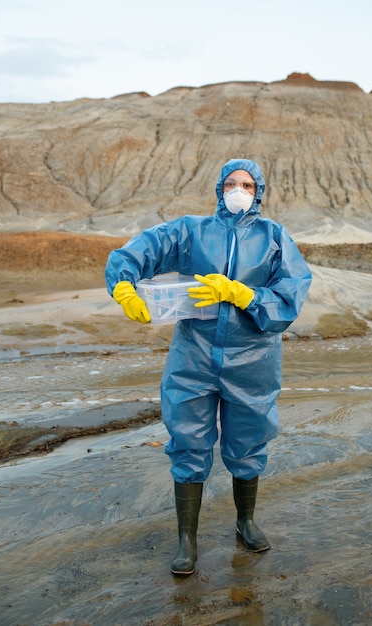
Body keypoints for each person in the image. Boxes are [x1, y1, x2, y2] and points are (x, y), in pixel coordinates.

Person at [105, 158, 312, 576]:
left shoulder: (274, 238)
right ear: (219, 189)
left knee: (248, 439)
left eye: (248, 185)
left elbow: (289, 297)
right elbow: (138, 252)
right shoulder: (190, 230)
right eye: (232, 183)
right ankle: (187, 539)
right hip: (194, 355)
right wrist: (124, 287)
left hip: (253, 357)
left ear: (259, 192)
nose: (239, 190)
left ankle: (245, 520)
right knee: (188, 439)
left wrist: (241, 294)